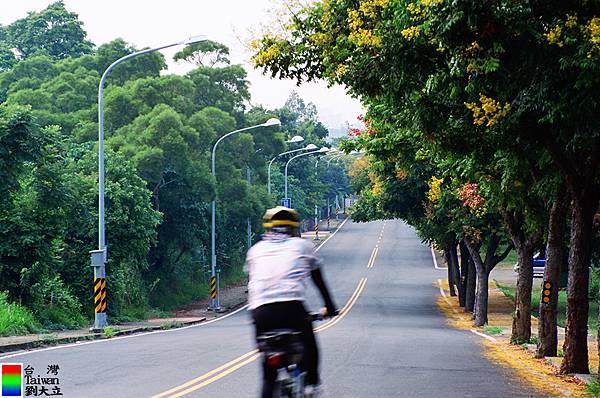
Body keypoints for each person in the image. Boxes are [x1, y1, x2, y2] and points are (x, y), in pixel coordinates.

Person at [246, 206, 338, 398]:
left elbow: (254, 285)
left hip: (260, 313)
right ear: (294, 229)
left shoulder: (255, 250)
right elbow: (319, 283)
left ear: (268, 228)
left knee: (268, 373)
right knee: (310, 346)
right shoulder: (302, 246)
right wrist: (330, 308)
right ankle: (312, 385)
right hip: (290, 307)